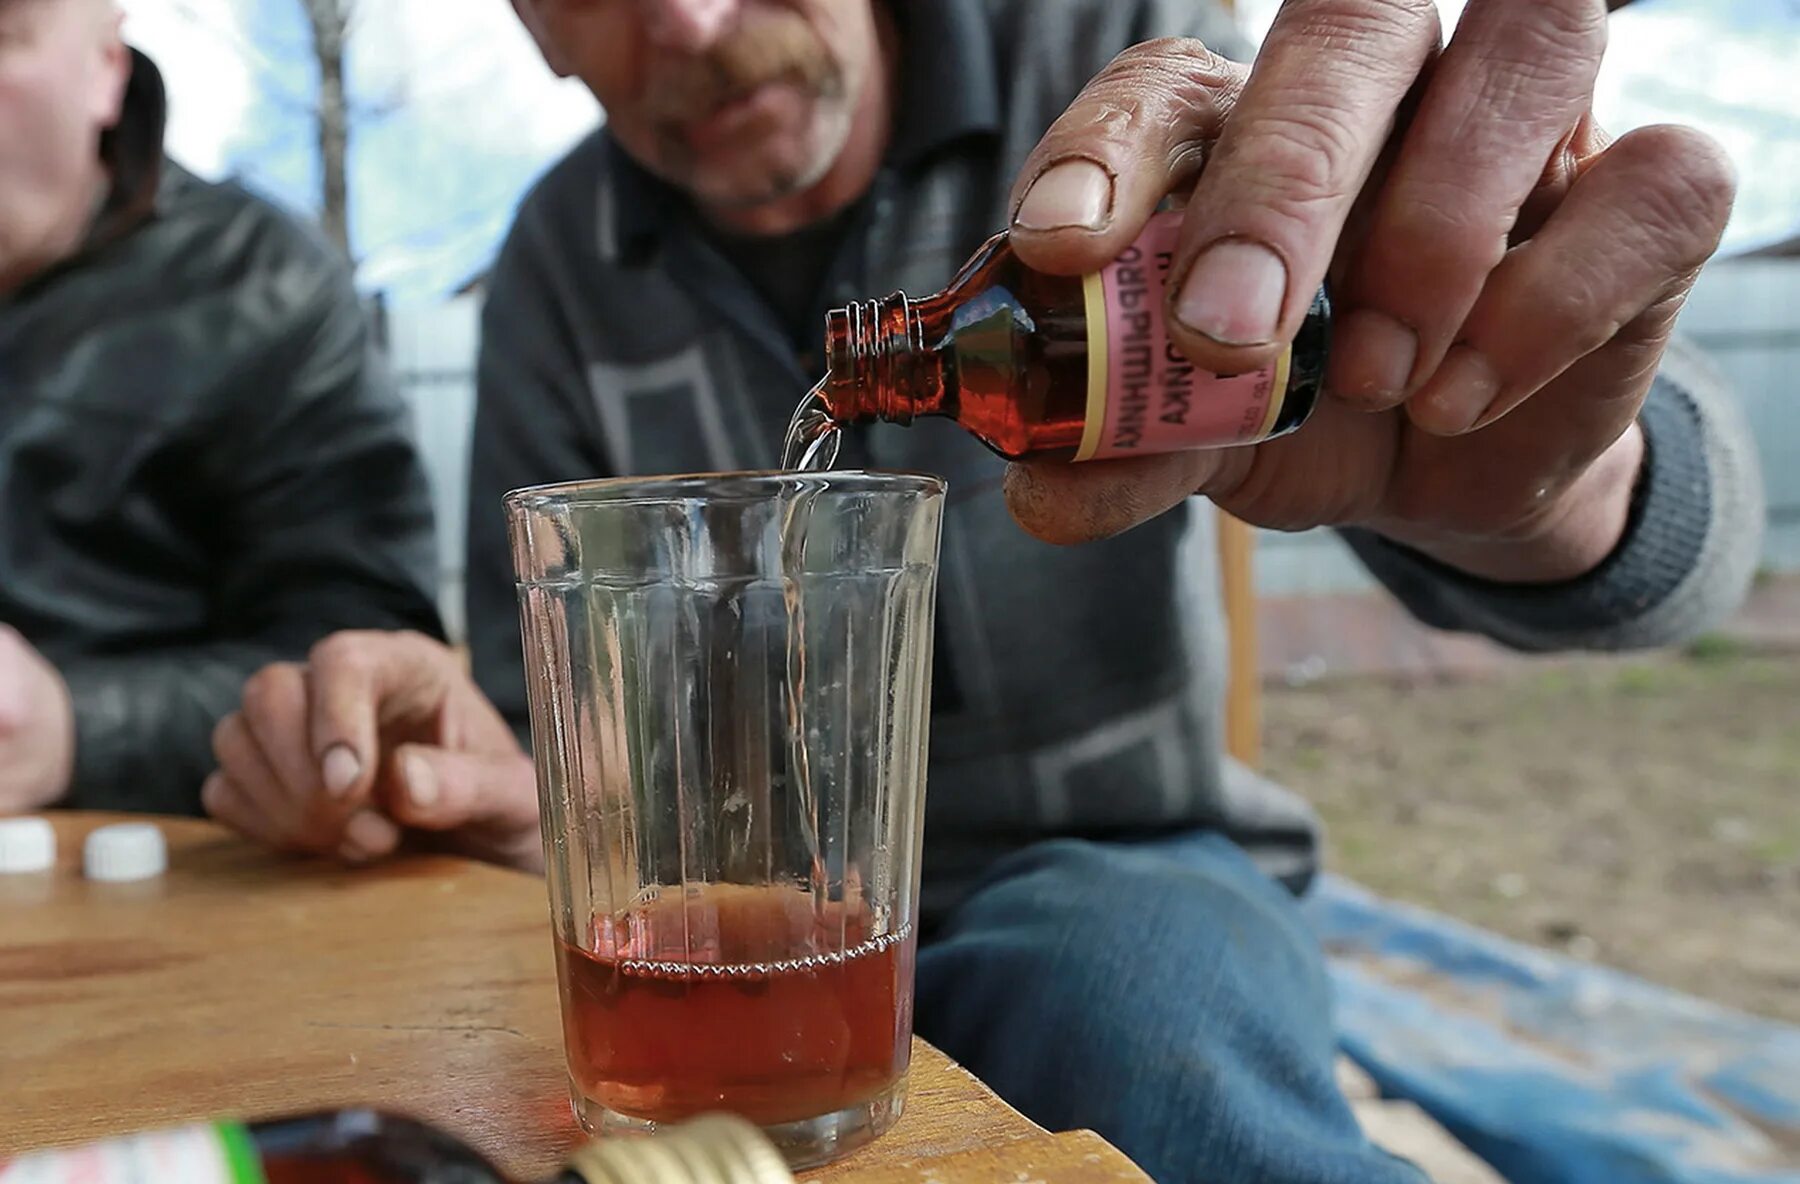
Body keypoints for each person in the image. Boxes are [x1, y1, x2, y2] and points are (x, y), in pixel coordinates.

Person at [205, 0, 1763, 1179]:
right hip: (718, 970)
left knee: (1138, 1019)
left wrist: (1537, 460)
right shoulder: (560, 254)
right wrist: (475, 764)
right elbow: (566, 748)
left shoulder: (1114, 88)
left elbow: (1678, 558)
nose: (684, 21)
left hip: (1125, 866)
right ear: (535, 36)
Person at [0, 0, 441, 826]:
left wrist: (75, 727)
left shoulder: (262, 287)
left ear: (107, 68)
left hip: (186, 883)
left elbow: (370, 663)